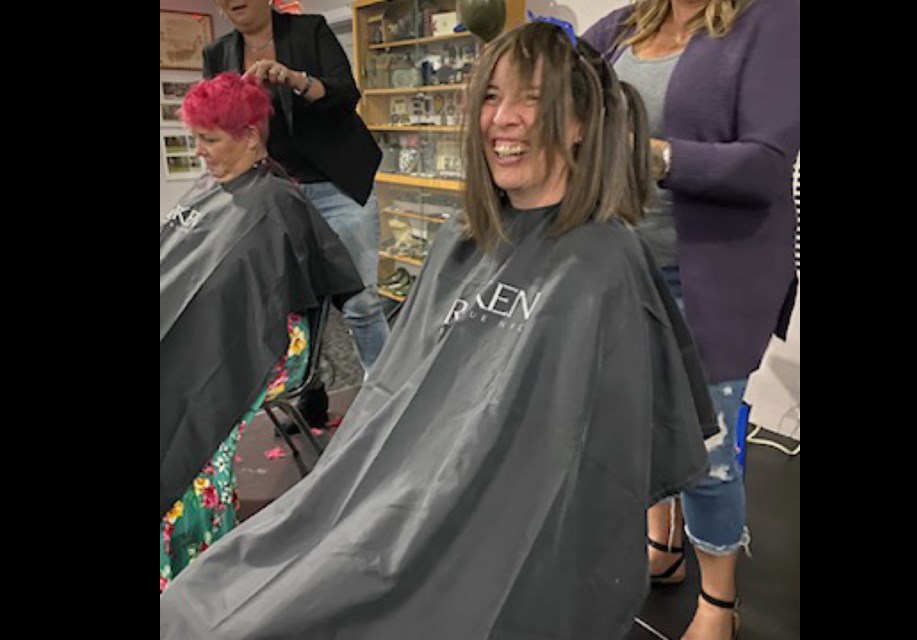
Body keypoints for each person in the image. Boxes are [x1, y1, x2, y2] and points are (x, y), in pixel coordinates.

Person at [160, 22, 715, 639]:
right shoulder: (461, 238)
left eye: (532, 98)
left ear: (581, 122)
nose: (503, 118)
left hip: (485, 530)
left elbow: (589, 463)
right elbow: (400, 393)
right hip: (395, 493)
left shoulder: (603, 267)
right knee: (206, 597)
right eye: (490, 96)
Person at [583, 1, 801, 638]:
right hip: (622, 268)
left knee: (707, 452)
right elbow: (556, 87)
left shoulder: (774, 19)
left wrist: (652, 157)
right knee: (641, 424)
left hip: (711, 278)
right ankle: (664, 547)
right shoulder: (625, 26)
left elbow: (764, 162)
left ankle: (720, 604)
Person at [159, 73, 363, 594]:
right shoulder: (213, 192)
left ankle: (192, 578)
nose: (200, 153)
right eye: (196, 139)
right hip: (207, 333)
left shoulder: (279, 203)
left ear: (250, 135)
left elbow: (275, 301)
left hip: (263, 346)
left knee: (192, 442)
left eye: (211, 139)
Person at [203, 0, 389, 382]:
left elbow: (345, 95)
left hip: (338, 184)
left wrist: (295, 79)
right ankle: (311, 394)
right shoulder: (217, 54)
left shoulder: (310, 30)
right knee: (294, 311)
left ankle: (387, 399)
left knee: (360, 302)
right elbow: (218, 122)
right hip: (275, 195)